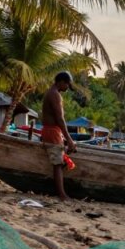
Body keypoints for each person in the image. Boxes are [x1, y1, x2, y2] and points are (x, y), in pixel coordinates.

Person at [40, 71, 77, 201]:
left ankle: (61, 193)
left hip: (52, 131)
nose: (67, 88)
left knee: (60, 161)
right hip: (52, 132)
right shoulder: (55, 95)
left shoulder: (52, 93)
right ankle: (62, 195)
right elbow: (60, 119)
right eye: (67, 84)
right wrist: (70, 140)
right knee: (58, 164)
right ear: (61, 82)